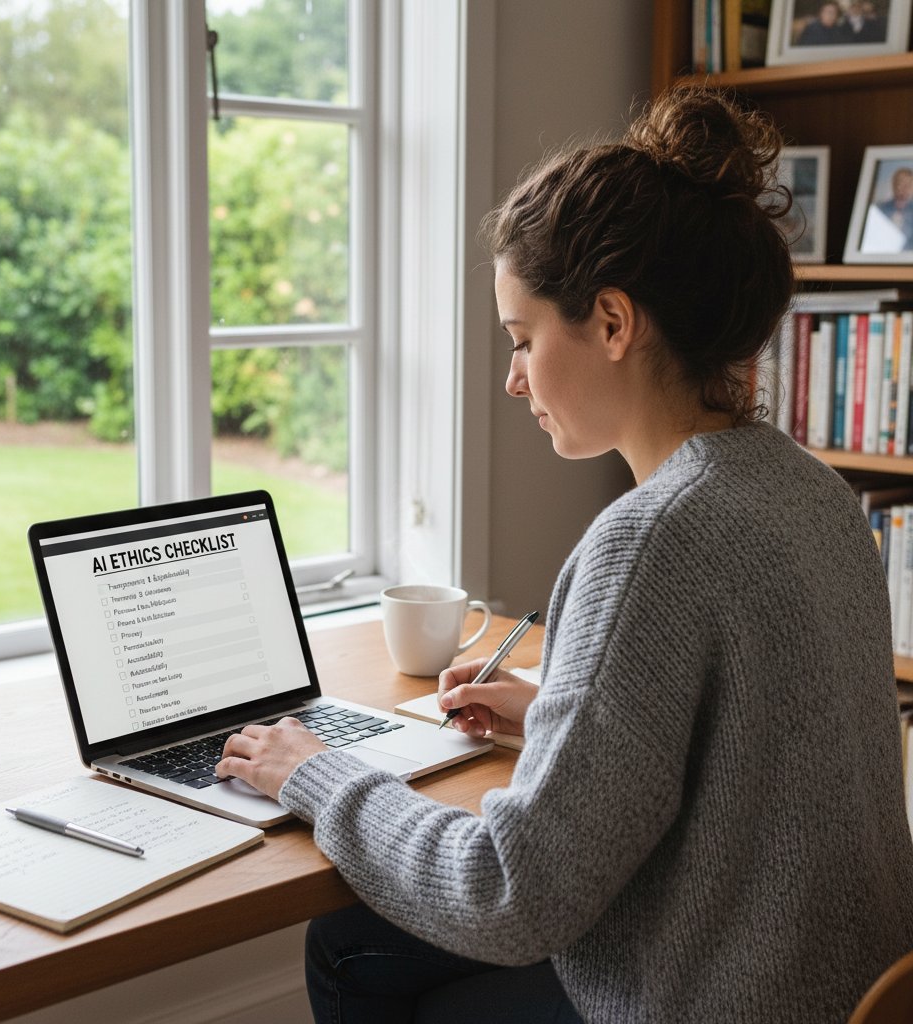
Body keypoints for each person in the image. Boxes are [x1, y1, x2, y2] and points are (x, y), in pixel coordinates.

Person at [215, 88, 913, 1023]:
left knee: (346, 952)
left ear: (614, 324)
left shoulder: (650, 538)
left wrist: (315, 770)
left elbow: (508, 895)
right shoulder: (810, 490)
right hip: (846, 992)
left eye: (523, 339)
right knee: (366, 944)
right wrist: (558, 718)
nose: (512, 377)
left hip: (714, 1001)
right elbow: (762, 747)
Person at [875, 166, 913, 250]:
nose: (904, 188)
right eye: (900, 183)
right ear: (893, 184)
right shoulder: (880, 209)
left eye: (908, 184)